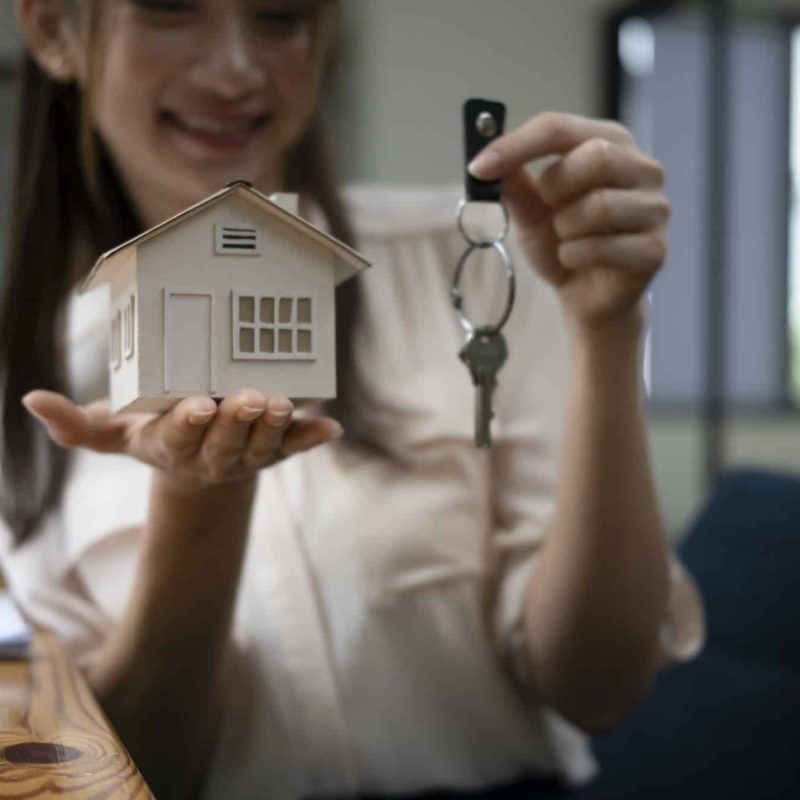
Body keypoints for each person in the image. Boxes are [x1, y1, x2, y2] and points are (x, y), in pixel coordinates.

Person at [0, 1, 704, 799]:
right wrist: (199, 502)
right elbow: (121, 775)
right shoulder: (36, 387)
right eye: (170, 8)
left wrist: (608, 330)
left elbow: (599, 689)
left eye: (279, 16)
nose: (234, 68)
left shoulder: (476, 262)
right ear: (55, 29)